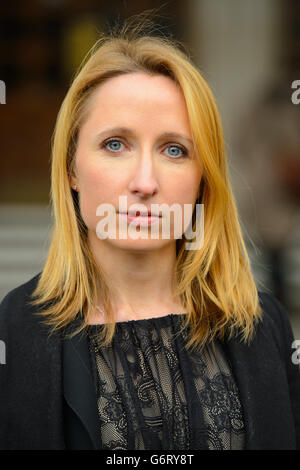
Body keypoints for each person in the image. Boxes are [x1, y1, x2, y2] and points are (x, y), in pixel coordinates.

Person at [0, 17, 300, 451]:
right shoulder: (16, 331)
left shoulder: (263, 326)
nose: (145, 181)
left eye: (174, 149)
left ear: (203, 178)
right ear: (71, 169)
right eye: (115, 144)